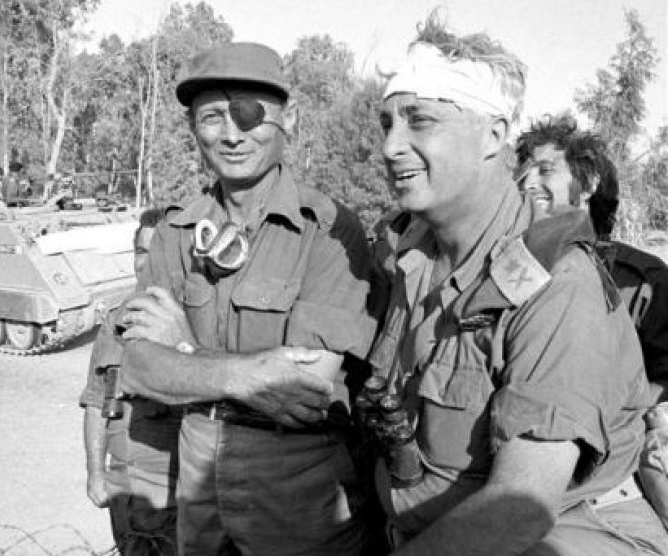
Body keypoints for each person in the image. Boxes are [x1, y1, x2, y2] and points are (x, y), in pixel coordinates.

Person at [362, 12, 667, 555]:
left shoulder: (557, 283)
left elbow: (518, 509)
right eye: (387, 123)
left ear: (495, 135)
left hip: (563, 531)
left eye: (420, 121)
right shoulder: (407, 252)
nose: (391, 146)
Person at [104, 42, 376, 556]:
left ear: (287, 120)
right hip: (199, 479)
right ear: (192, 128)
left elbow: (306, 386)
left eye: (250, 115)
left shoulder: (329, 231)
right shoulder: (175, 230)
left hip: (299, 484)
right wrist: (248, 374)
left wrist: (183, 350)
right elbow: (137, 368)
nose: (231, 134)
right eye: (212, 117)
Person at [516, 114, 668, 403]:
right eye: (523, 174)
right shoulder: (511, 267)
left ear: (588, 185)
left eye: (545, 170)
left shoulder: (642, 281)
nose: (528, 185)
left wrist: (622, 420)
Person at [81, 207, 180, 556]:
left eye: (158, 251)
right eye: (141, 251)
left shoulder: (193, 324)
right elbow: (96, 401)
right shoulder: (115, 320)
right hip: (123, 487)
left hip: (173, 490)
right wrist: (96, 474)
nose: (147, 261)